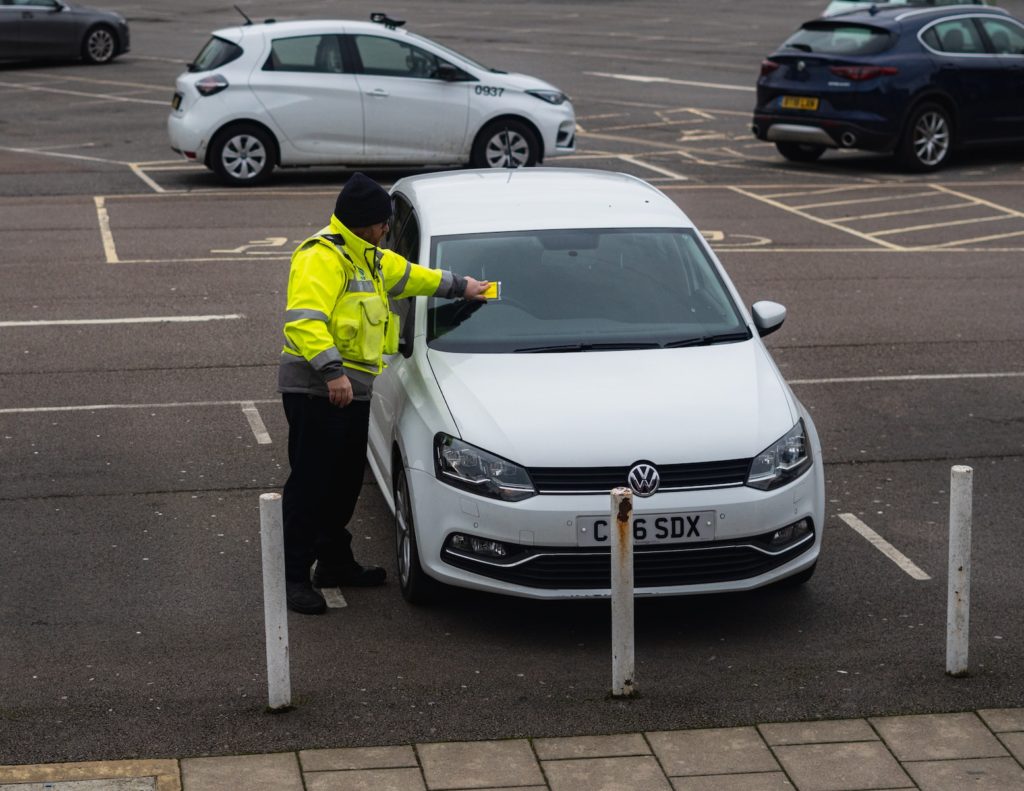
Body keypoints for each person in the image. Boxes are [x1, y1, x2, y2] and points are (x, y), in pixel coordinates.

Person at [278, 172, 489, 614]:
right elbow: (304, 321)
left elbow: (413, 276)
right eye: (383, 223)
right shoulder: (322, 257)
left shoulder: (369, 257)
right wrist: (331, 373)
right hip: (317, 390)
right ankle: (294, 577)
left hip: (351, 391)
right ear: (363, 224)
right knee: (311, 485)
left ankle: (334, 562)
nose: (388, 229)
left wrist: (464, 287)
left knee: (343, 485)